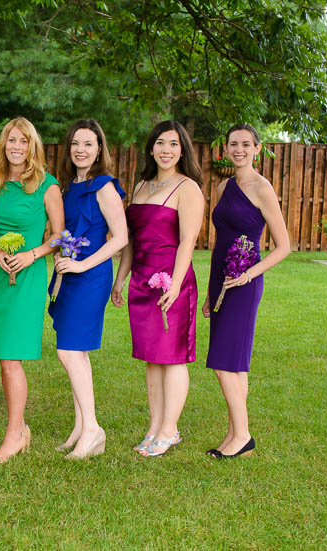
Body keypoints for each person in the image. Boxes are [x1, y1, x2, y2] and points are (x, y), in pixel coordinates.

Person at [111, 120, 204, 457]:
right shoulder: (140, 187)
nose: (167, 150)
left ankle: (170, 430)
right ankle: (155, 426)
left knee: (173, 358)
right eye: (161, 143)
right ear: (151, 148)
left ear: (183, 151)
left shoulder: (188, 188)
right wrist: (120, 278)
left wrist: (176, 285)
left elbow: (188, 242)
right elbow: (132, 241)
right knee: (152, 358)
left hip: (171, 282)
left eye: (174, 144)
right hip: (141, 282)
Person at [202, 124, 290, 458]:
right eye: (232, 144)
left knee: (224, 361)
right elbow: (219, 240)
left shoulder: (262, 188)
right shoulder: (225, 185)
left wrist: (248, 275)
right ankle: (233, 434)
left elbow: (284, 247)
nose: (238, 149)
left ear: (257, 148)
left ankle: (243, 435)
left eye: (245, 144)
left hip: (244, 282)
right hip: (220, 281)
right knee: (235, 364)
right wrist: (212, 293)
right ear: (225, 149)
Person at [0, 117, 65, 463]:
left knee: (12, 360)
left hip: (28, 278)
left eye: (23, 141)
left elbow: (60, 236)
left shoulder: (47, 186)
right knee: (4, 358)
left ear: (33, 146)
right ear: (3, 145)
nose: (16, 147)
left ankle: (14, 433)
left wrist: (32, 254)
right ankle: (19, 430)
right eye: (11, 140)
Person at [48, 119, 128, 459]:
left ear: (99, 149)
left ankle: (93, 428)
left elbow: (122, 238)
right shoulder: (69, 187)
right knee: (76, 353)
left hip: (90, 277)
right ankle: (81, 427)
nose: (81, 149)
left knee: (68, 352)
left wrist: (82, 264)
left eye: (89, 144)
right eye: (76, 144)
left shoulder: (104, 186)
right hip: (68, 276)